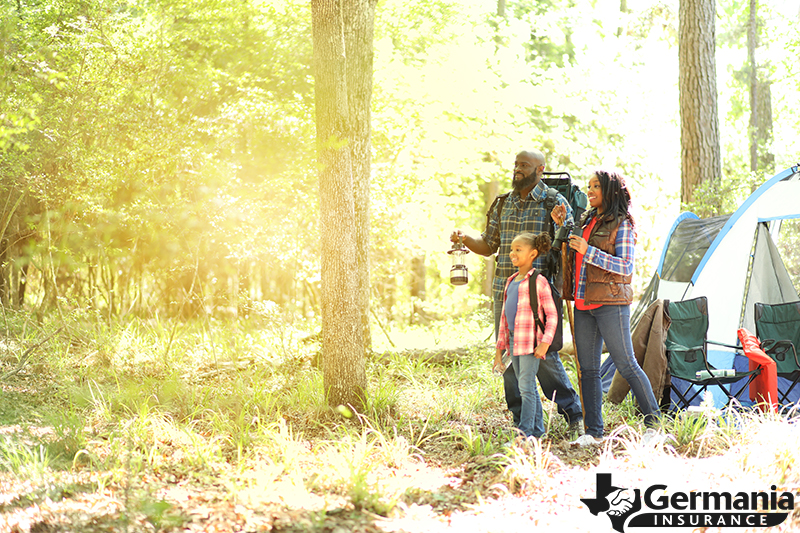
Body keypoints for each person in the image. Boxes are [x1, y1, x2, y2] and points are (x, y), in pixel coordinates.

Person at [452, 149, 584, 437]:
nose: (518, 170)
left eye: (524, 165)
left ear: (540, 169)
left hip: (539, 294)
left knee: (544, 356)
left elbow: (570, 237)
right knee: (509, 354)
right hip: (505, 290)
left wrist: (563, 223)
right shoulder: (503, 204)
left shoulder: (553, 200)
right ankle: (521, 421)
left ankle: (573, 413)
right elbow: (488, 244)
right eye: (516, 165)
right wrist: (464, 238)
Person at [556, 168, 661, 446]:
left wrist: (587, 251)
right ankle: (593, 432)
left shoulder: (622, 224)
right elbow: (575, 254)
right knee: (587, 370)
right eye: (588, 186)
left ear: (610, 191)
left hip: (611, 303)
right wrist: (562, 225)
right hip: (582, 303)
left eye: (595, 187)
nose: (589, 191)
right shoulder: (588, 218)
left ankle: (654, 425)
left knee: (626, 363)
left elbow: (625, 266)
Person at [495, 233, 558, 439]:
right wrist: (499, 352)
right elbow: (505, 320)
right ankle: (537, 432)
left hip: (531, 343)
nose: (513, 253)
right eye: (511, 249)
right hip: (514, 342)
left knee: (525, 387)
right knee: (526, 387)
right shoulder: (511, 281)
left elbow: (552, 315)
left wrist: (545, 343)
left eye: (518, 249)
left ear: (532, 254)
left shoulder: (538, 282)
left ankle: (525, 433)